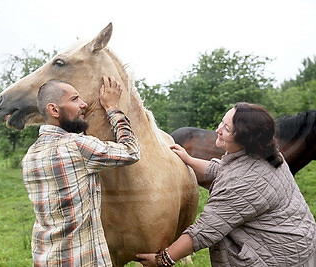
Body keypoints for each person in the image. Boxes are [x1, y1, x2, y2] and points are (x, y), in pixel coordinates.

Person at [137, 102, 316, 267]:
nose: (217, 129)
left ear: (245, 138)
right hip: (296, 245)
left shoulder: (243, 184)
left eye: (226, 128)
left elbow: (205, 231)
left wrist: (163, 259)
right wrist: (189, 159)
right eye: (222, 122)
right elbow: (224, 169)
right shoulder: (264, 154)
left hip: (279, 259)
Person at [22, 76, 140, 266]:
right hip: (80, 260)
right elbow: (131, 151)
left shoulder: (30, 155)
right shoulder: (77, 146)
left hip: (44, 257)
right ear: (54, 110)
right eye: (75, 99)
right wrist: (112, 109)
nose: (84, 104)